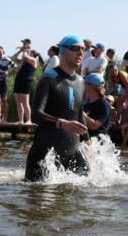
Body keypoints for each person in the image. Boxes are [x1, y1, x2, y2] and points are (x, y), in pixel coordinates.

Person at [24, 35, 88, 182]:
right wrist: (62, 123)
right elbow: (36, 115)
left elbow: (78, 113)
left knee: (88, 191)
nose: (81, 53)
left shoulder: (81, 82)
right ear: (63, 51)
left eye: (83, 49)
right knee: (40, 200)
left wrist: (87, 141)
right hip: (45, 155)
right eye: (75, 48)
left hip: (73, 151)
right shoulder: (49, 78)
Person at [11, 43, 39, 124]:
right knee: (18, 101)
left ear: (33, 55)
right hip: (18, 80)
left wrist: (24, 49)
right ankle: (21, 120)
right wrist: (20, 50)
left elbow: (24, 56)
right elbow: (13, 57)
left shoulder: (34, 61)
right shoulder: (23, 62)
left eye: (30, 52)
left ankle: (29, 120)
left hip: (26, 81)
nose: (29, 53)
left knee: (25, 101)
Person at [81, 72, 112, 140]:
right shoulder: (87, 104)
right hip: (87, 141)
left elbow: (94, 126)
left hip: (98, 143)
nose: (83, 85)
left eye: (85, 83)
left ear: (90, 85)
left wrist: (80, 111)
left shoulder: (104, 104)